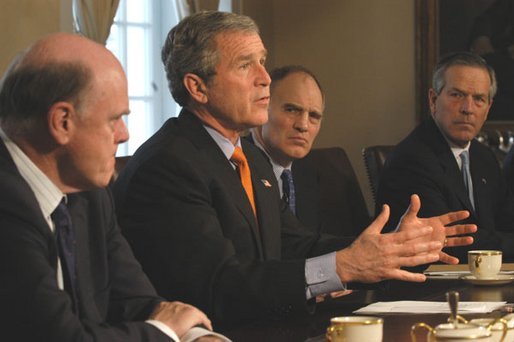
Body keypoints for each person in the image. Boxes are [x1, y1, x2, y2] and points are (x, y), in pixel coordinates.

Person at [113, 11, 476, 326]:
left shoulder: (249, 157)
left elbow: (294, 243)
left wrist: (390, 248)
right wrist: (343, 267)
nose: (265, 78)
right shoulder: (168, 165)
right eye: (245, 65)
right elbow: (218, 285)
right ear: (197, 87)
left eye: (262, 61)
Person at [0, 32, 220, 342]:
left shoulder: (90, 193)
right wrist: (168, 333)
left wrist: (197, 337)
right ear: (62, 122)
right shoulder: (7, 205)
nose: (124, 134)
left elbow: (139, 303)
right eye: (114, 119)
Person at [377, 51, 514, 263]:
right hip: (428, 285)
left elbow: (504, 221)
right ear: (433, 100)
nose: (468, 109)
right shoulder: (412, 160)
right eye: (457, 95)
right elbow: (453, 241)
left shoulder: (483, 156)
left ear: (488, 109)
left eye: (479, 99)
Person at [248, 65, 370, 236]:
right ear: (262, 107)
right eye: (291, 110)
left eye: (314, 116)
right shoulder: (234, 164)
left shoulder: (325, 174)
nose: (303, 125)